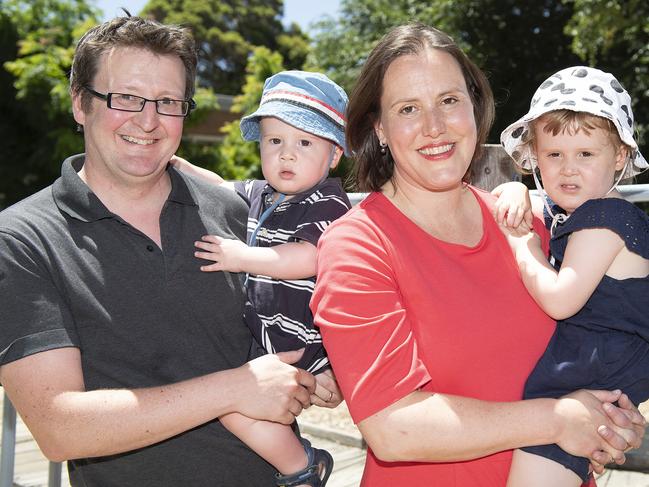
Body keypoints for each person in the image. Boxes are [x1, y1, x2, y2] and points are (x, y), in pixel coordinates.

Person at [309, 22, 647, 487]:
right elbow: (393, 428)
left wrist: (611, 420)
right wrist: (558, 419)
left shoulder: (527, 223)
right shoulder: (359, 246)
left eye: (449, 101)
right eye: (409, 108)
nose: (435, 126)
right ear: (380, 129)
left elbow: (599, 346)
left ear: (474, 106)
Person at [0, 16, 321, 487]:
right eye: (125, 97)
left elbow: (289, 320)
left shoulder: (234, 213)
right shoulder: (23, 238)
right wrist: (234, 390)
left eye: (168, 102)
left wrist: (318, 374)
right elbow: (58, 428)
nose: (148, 121)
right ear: (80, 104)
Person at [174, 70, 351, 487]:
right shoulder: (260, 193)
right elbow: (220, 187)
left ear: (334, 155)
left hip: (298, 339)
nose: (286, 155)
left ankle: (302, 468)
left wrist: (244, 257)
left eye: (304, 143)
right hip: (263, 334)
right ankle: (300, 460)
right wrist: (179, 167)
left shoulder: (327, 200)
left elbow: (308, 257)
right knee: (231, 401)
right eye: (275, 142)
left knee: (232, 404)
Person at [497, 66, 649, 487]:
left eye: (585, 154)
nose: (567, 169)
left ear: (619, 157)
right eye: (553, 155)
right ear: (534, 158)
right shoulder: (582, 211)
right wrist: (515, 190)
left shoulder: (605, 220)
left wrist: (520, 244)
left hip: (583, 381)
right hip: (589, 379)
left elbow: (561, 299)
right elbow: (541, 205)